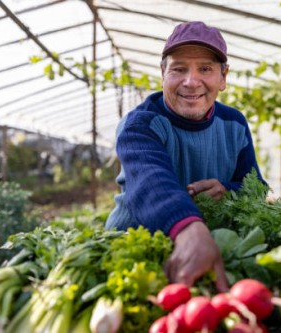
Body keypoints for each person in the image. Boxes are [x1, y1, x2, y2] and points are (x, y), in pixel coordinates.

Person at [105, 21, 266, 292]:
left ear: (223, 77)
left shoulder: (235, 124)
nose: (191, 82)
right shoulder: (141, 124)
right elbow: (151, 181)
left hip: (207, 251)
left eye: (205, 69)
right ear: (163, 73)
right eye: (179, 69)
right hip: (133, 253)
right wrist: (188, 228)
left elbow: (256, 187)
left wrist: (228, 189)